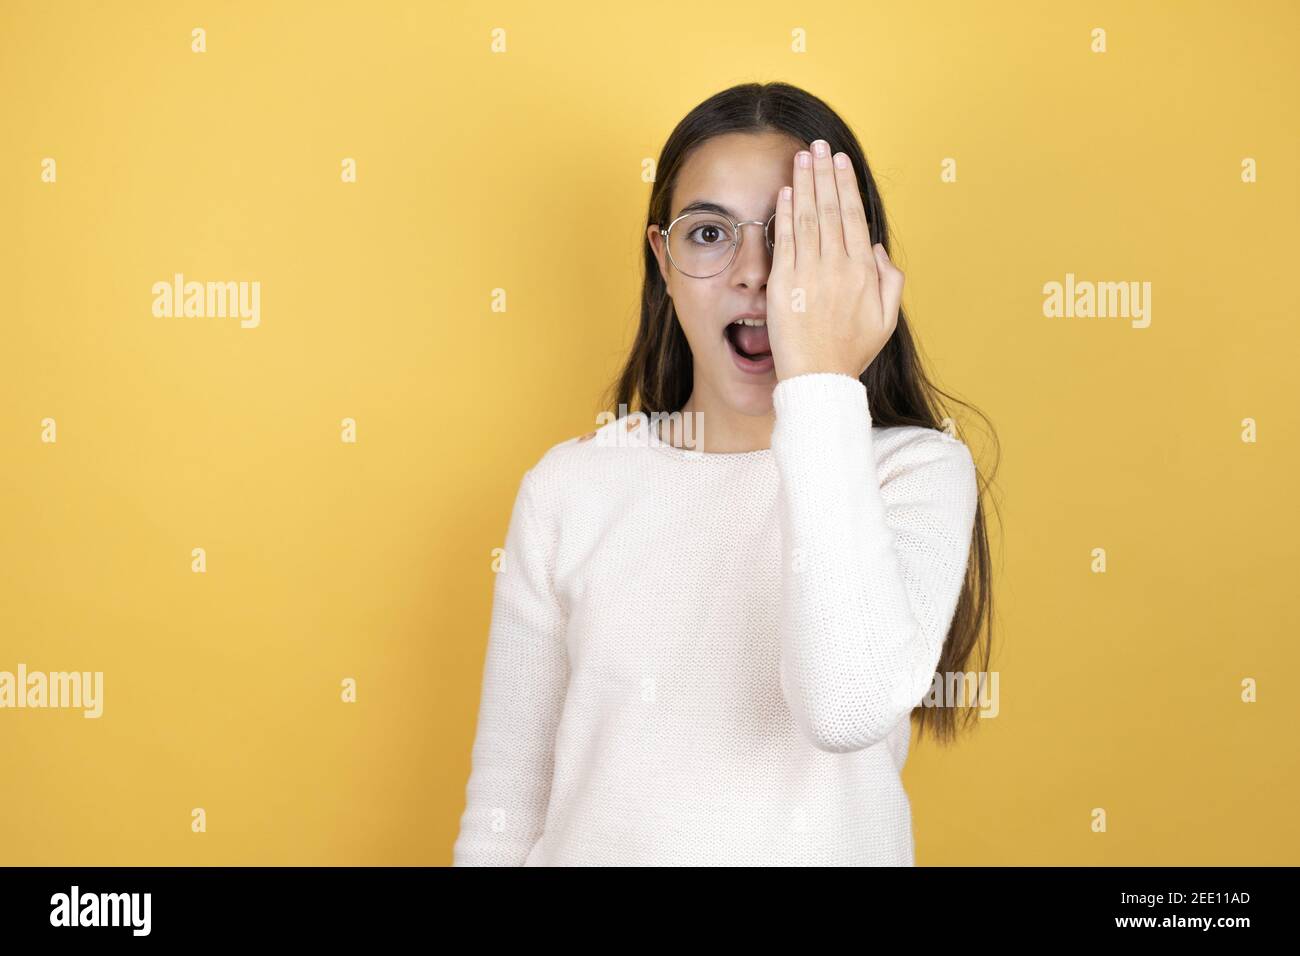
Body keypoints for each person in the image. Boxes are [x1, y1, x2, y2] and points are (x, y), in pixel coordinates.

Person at [453, 81, 998, 866]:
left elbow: (844, 707)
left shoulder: (914, 472)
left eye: (796, 236)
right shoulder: (566, 490)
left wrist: (821, 384)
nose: (754, 272)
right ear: (663, 263)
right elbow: (505, 808)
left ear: (854, 262)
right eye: (709, 233)